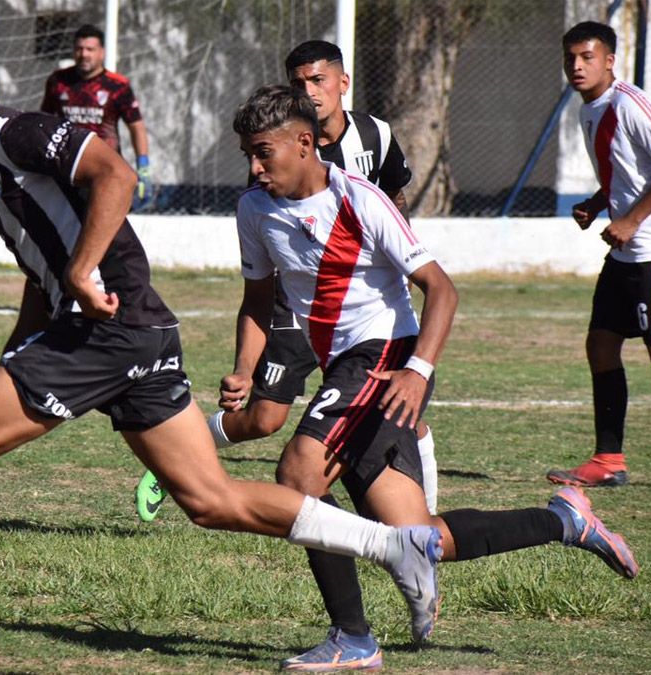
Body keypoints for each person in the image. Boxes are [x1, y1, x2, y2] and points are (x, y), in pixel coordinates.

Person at [0, 21, 447, 675]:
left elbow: (114, 172)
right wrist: (17, 350)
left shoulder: (13, 133)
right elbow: (43, 277)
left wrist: (86, 270)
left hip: (106, 328)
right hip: (137, 329)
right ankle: (396, 545)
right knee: (211, 500)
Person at [229, 85, 638, 671]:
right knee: (419, 536)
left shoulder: (361, 201)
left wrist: (419, 372)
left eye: (263, 151)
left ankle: (353, 638)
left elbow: (441, 288)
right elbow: (257, 300)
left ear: (303, 141)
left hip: (386, 358)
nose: (254, 166)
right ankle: (565, 521)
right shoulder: (253, 209)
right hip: (346, 369)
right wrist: (245, 369)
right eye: (247, 153)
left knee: (298, 476)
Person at [136, 40, 438, 521]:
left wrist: (392, 254)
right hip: (297, 307)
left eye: (318, 80)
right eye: (299, 83)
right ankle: (179, 460)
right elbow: (262, 268)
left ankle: (417, 526)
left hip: (364, 313)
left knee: (402, 416)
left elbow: (395, 198)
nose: (310, 91)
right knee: (264, 419)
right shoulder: (271, 160)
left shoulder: (374, 136)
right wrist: (242, 364)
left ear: (342, 83)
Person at [547, 21, 651, 488]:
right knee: (601, 344)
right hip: (626, 252)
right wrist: (597, 205)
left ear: (610, 60)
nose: (577, 66)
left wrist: (632, 220)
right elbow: (625, 172)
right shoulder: (588, 109)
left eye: (587, 57)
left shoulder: (629, 103)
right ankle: (608, 460)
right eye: (570, 58)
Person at [41, 23, 156, 209]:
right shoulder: (58, 81)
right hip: (65, 167)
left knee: (103, 228)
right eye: (79, 49)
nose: (84, 54)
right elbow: (45, 121)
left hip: (104, 170)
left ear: (101, 52)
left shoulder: (117, 85)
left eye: (90, 49)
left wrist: (143, 168)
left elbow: (137, 127)